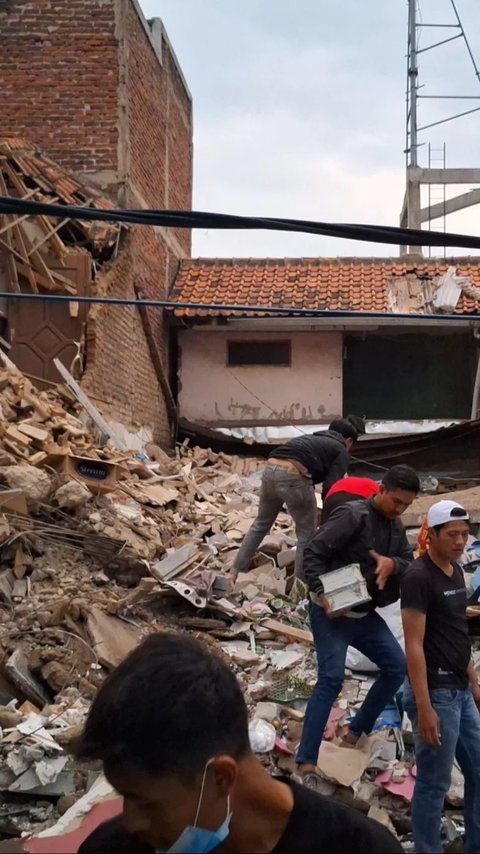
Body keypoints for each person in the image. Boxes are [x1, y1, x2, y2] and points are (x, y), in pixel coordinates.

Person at [75, 634, 402, 854]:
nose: (133, 822)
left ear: (221, 777)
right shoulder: (111, 849)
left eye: (145, 803)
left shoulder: (359, 847)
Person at [296, 464, 420, 785]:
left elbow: (407, 559)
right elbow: (313, 551)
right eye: (396, 501)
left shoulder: (395, 527)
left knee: (396, 666)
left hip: (364, 615)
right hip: (332, 615)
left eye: (406, 505)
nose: (399, 509)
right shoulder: (353, 516)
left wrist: (393, 563)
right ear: (381, 489)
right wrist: (322, 594)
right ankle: (306, 762)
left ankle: (356, 730)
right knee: (331, 679)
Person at [401, 500, 480, 854]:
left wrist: (472, 676)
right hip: (436, 693)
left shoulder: (456, 571)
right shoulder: (418, 578)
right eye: (452, 535)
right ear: (430, 535)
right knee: (434, 783)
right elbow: (414, 645)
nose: (461, 542)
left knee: (478, 769)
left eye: (465, 535)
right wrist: (424, 706)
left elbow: (455, 632)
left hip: (460, 690)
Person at [232, 419, 358, 581]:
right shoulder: (340, 448)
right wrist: (330, 516)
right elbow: (331, 486)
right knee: (307, 535)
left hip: (270, 469)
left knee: (261, 524)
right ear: (348, 441)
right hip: (292, 476)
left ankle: (236, 570)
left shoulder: (310, 439)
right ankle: (300, 587)